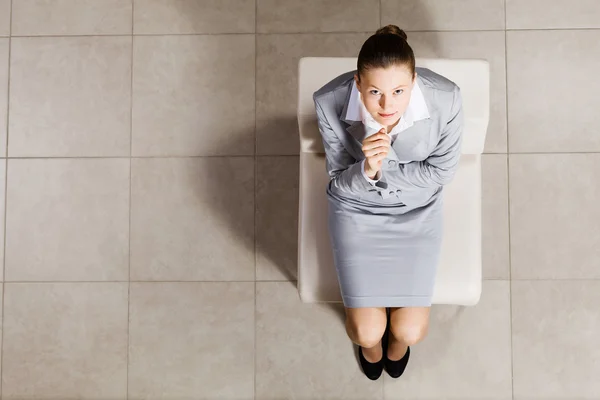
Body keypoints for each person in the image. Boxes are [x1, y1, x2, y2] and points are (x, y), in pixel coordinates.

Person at [312, 24, 464, 380]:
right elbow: (338, 183)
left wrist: (383, 171)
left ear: (415, 80)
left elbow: (440, 173)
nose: (387, 105)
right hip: (356, 212)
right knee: (365, 332)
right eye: (375, 91)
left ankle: (397, 347)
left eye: (399, 91)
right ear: (358, 82)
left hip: (416, 210)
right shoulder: (328, 100)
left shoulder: (447, 97)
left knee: (411, 331)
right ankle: (373, 349)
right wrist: (365, 169)